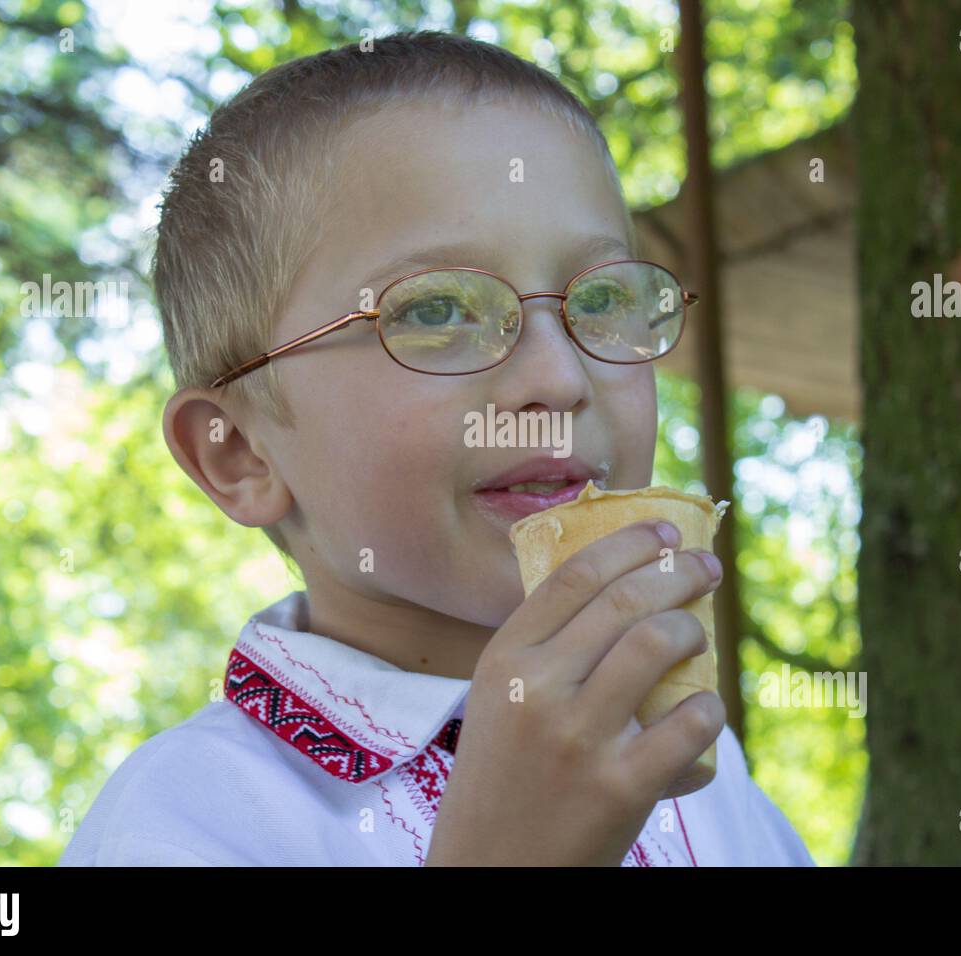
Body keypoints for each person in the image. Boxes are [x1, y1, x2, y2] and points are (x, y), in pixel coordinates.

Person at [59, 29, 813, 867]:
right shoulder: (184, 821)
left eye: (600, 298)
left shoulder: (695, 768)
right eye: (433, 311)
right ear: (240, 453)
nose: (560, 377)